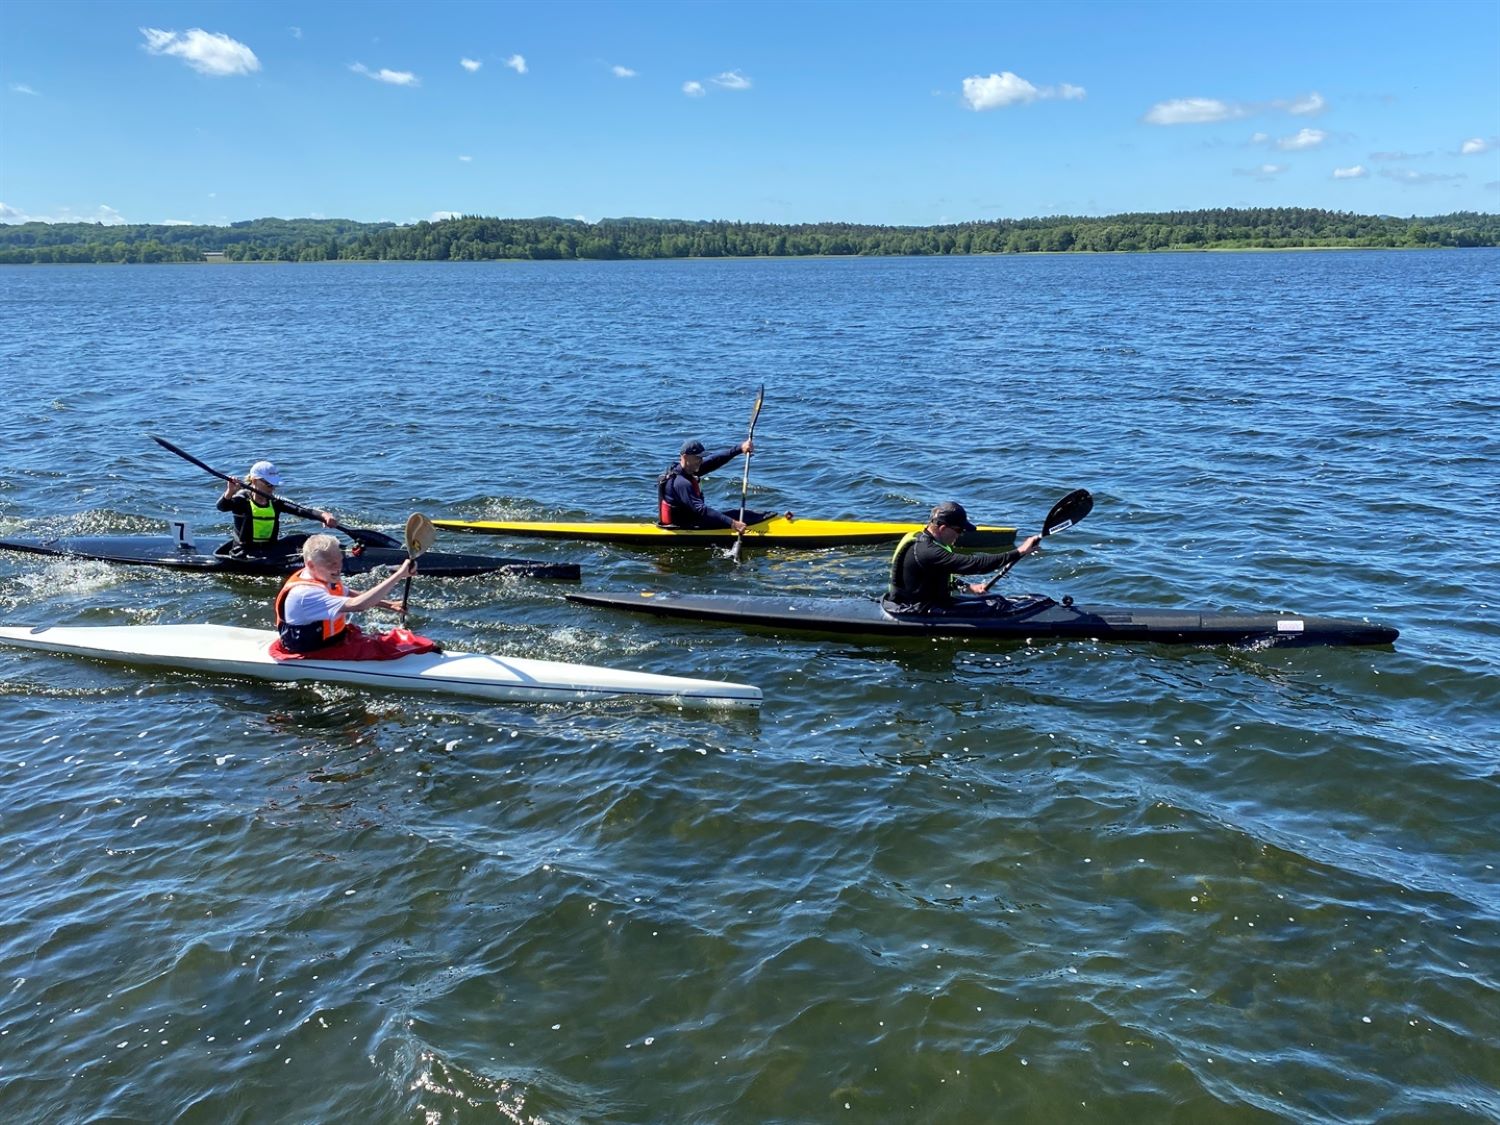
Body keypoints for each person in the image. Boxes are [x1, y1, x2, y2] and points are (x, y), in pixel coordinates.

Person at [270, 534, 441, 661]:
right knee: (385, 647)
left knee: (388, 639)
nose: (338, 568)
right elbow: (358, 605)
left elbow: (344, 592)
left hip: (333, 639)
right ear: (310, 564)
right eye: (331, 564)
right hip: (312, 651)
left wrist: (389, 605)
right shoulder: (305, 594)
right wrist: (399, 575)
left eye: (339, 561)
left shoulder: (319, 575)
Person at [884, 501, 1042, 613]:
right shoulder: (928, 551)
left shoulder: (923, 539)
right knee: (996, 606)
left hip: (923, 602)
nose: (960, 535)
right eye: (959, 530)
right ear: (943, 528)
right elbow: (974, 564)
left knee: (997, 599)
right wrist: (1019, 551)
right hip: (915, 610)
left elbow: (938, 575)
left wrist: (968, 588)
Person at [216, 459, 336, 557]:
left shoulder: (275, 501)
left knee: (306, 539)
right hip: (245, 553)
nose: (271, 488)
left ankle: (336, 551)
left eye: (274, 484)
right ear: (254, 480)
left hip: (269, 549)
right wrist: (230, 491)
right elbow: (222, 506)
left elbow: (300, 510)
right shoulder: (242, 499)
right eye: (268, 484)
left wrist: (323, 515)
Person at [657, 438, 774, 532]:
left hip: (692, 519)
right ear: (685, 457)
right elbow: (701, 509)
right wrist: (733, 523)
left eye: (701, 458)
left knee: (739, 513)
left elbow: (714, 460)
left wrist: (740, 448)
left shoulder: (687, 469)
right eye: (698, 458)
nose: (700, 461)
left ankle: (770, 517)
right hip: (686, 526)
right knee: (737, 516)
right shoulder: (681, 483)